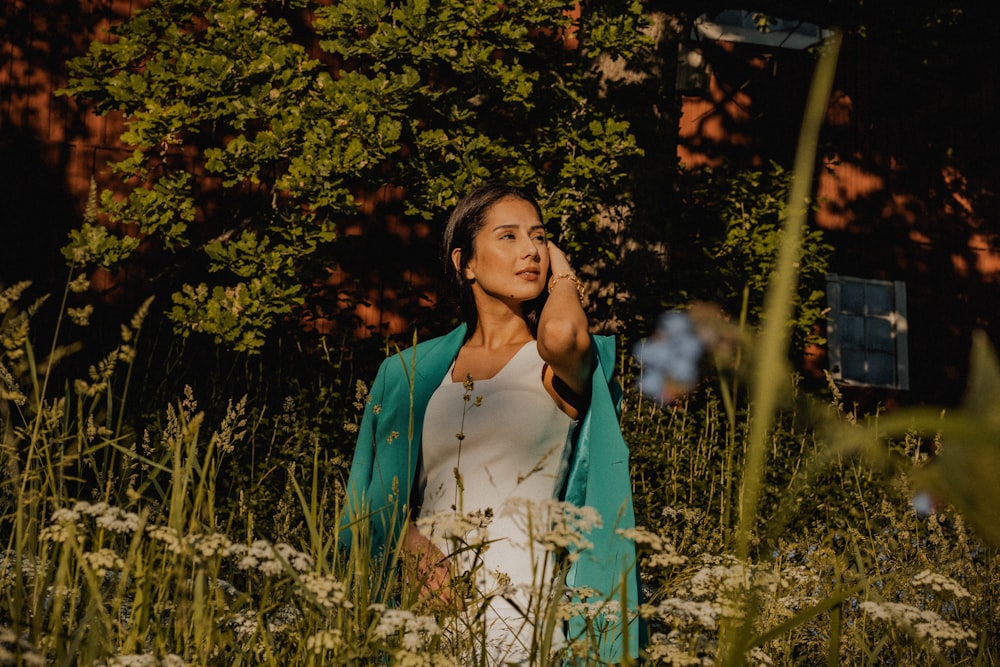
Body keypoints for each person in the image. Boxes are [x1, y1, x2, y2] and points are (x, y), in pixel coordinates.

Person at [340, 183, 641, 664]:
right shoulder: (411, 375)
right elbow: (378, 495)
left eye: (539, 237)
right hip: (425, 619)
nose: (531, 251)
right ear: (466, 264)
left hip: (523, 621)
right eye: (508, 236)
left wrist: (563, 278)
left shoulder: (551, 366)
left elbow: (562, 333)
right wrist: (413, 550)